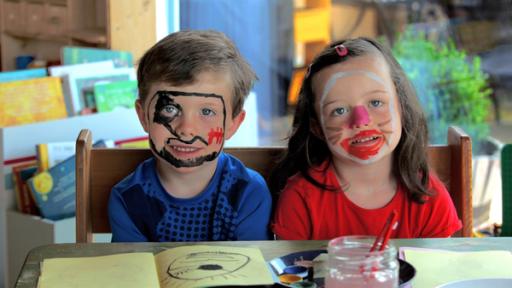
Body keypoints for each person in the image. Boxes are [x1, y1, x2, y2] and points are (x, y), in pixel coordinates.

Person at [271, 37, 462, 240]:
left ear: (401, 107)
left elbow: (439, 270)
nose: (361, 121)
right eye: (339, 110)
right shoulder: (300, 199)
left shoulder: (429, 197)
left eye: (376, 102)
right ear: (317, 127)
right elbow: (288, 270)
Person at [108, 30, 272, 242]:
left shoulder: (247, 194)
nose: (187, 129)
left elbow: (253, 272)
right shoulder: (128, 199)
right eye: (169, 109)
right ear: (143, 116)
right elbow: (132, 272)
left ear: (233, 124)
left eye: (206, 112)